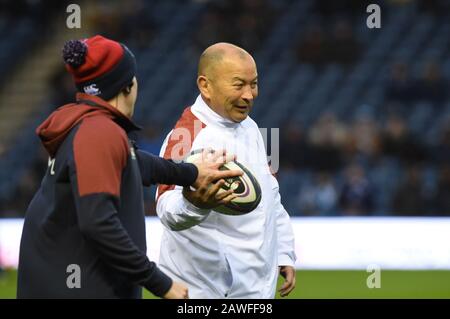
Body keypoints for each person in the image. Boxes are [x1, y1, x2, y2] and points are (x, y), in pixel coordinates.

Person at [17, 35, 241, 299]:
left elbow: (135, 162)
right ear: (128, 85)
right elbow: (98, 223)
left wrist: (191, 172)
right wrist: (160, 282)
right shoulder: (100, 133)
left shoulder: (86, 127)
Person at [156, 43, 296, 298]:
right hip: (205, 291)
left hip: (254, 290)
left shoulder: (252, 128)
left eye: (254, 84)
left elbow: (270, 195)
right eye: (238, 84)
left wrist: (284, 251)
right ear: (205, 85)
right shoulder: (185, 135)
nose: (249, 95)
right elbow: (165, 207)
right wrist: (194, 204)